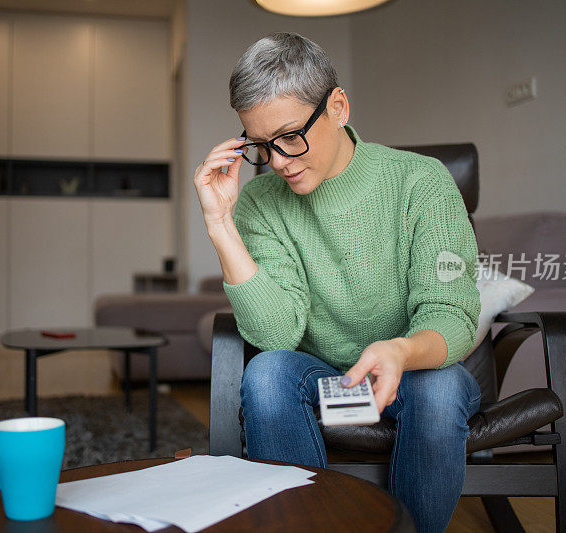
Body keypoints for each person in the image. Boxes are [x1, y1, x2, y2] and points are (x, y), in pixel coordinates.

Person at [193, 31, 481, 533]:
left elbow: (451, 314)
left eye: (289, 137)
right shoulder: (262, 202)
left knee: (439, 388)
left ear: (338, 106)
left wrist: (400, 352)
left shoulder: (420, 182)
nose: (279, 161)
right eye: (261, 147)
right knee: (266, 375)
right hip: (328, 381)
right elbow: (276, 334)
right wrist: (221, 224)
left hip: (415, 370)